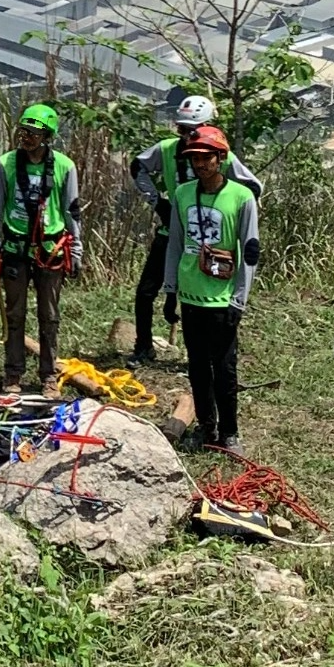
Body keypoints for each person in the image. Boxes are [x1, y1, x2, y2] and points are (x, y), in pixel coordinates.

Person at [129, 95, 261, 363]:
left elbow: (252, 186)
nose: (188, 136)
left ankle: (213, 355)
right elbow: (137, 167)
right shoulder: (166, 150)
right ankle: (143, 346)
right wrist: (158, 202)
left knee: (212, 302)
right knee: (146, 291)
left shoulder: (221, 153)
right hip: (173, 234)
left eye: (193, 130)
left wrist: (239, 222)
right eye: (183, 130)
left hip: (213, 242)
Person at [160, 126, 259, 453]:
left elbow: (250, 252)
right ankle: (206, 426)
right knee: (198, 367)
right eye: (195, 159)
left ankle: (230, 432)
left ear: (221, 158)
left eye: (207, 157)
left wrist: (239, 300)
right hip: (191, 296)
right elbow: (174, 243)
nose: (200, 164)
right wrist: (171, 290)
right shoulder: (184, 194)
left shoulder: (242, 197)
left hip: (223, 298)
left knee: (225, 369)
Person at [0, 101, 83, 392]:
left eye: (33, 133)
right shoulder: (5, 164)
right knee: (14, 313)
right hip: (15, 249)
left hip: (51, 251)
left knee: (49, 316)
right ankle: (13, 374)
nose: (26, 137)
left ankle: (48, 374)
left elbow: (72, 211)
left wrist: (76, 252)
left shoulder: (64, 167)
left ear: (47, 136)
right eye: (23, 131)